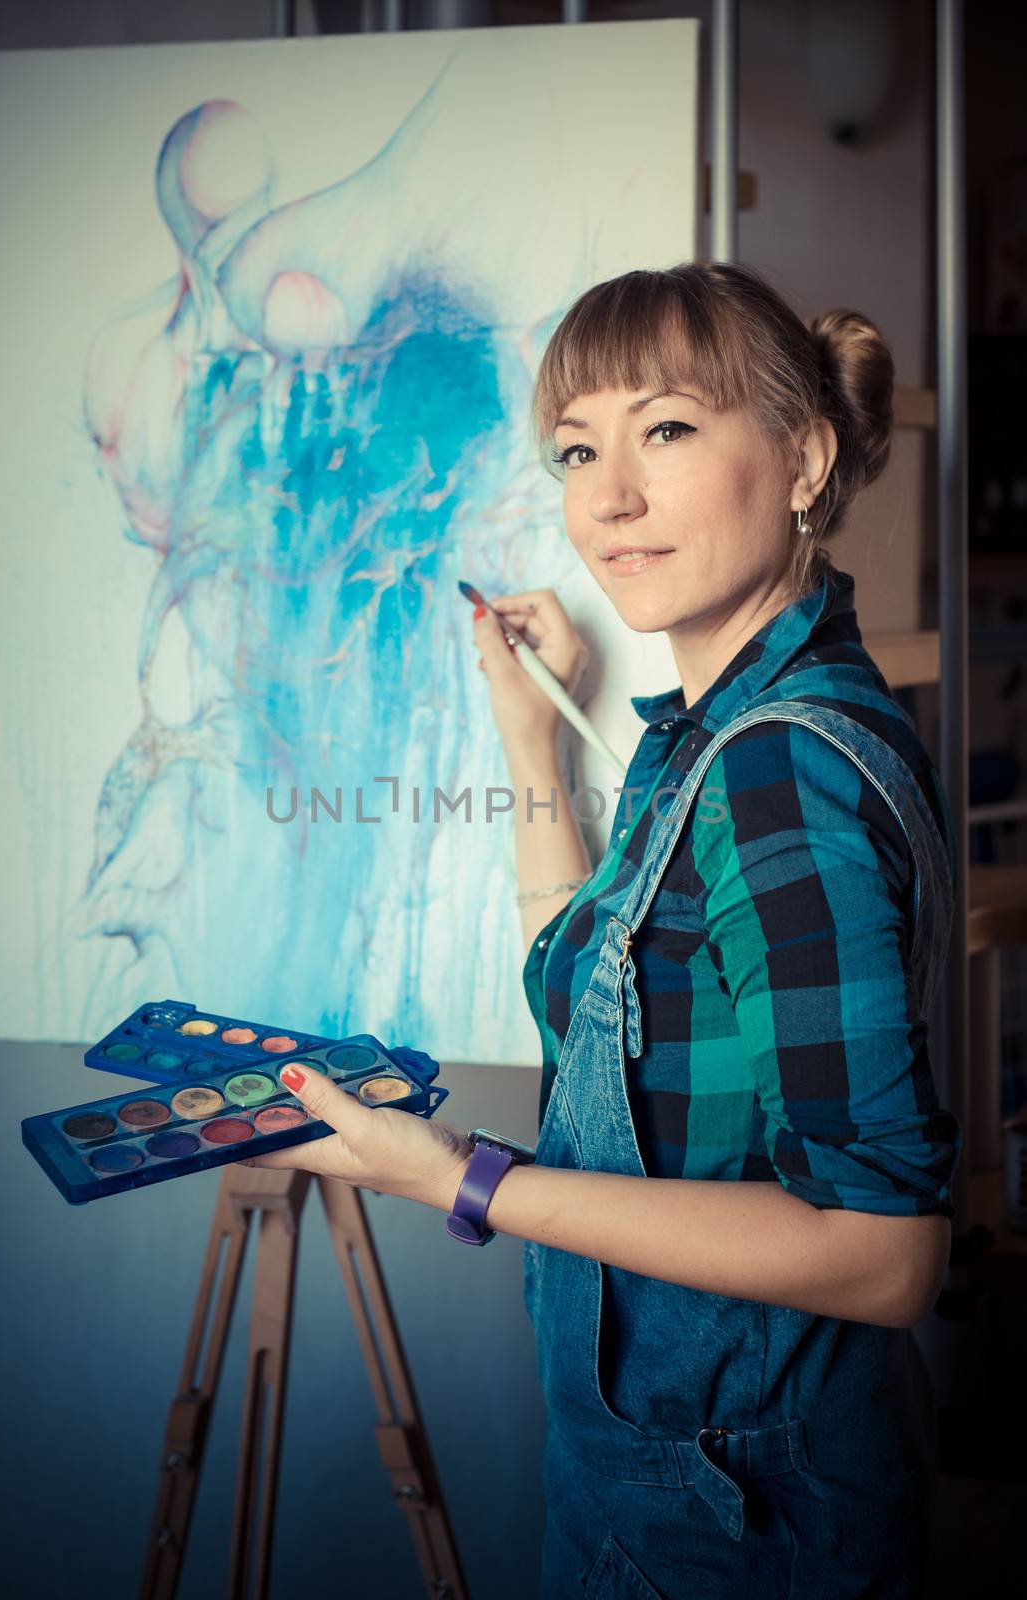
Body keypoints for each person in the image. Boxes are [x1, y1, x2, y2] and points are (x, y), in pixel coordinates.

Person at [249, 262, 962, 1599]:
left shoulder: (774, 769)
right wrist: (533, 735)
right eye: (580, 449)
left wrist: (466, 1180)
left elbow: (884, 1252)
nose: (610, 498)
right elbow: (596, 1005)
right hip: (709, 1484)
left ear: (805, 458)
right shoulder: (722, 732)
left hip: (733, 1520)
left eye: (669, 429)